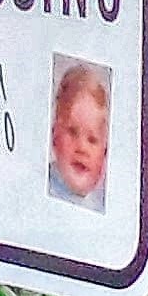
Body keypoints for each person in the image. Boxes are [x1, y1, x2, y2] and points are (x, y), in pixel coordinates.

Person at [46, 57, 112, 208]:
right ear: (55, 137)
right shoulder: (43, 183)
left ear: (105, 152)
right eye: (72, 132)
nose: (81, 147)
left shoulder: (103, 203)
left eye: (92, 139)